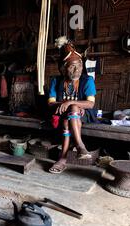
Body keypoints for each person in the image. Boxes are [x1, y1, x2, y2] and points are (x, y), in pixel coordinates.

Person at [47, 41, 97, 174]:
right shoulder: (56, 81)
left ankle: (63, 159)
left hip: (84, 114)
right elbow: (51, 103)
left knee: (73, 109)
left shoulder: (87, 80)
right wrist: (67, 105)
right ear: (63, 68)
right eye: (72, 67)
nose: (77, 70)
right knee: (67, 118)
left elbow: (90, 104)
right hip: (61, 113)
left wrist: (69, 103)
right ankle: (80, 146)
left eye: (80, 66)